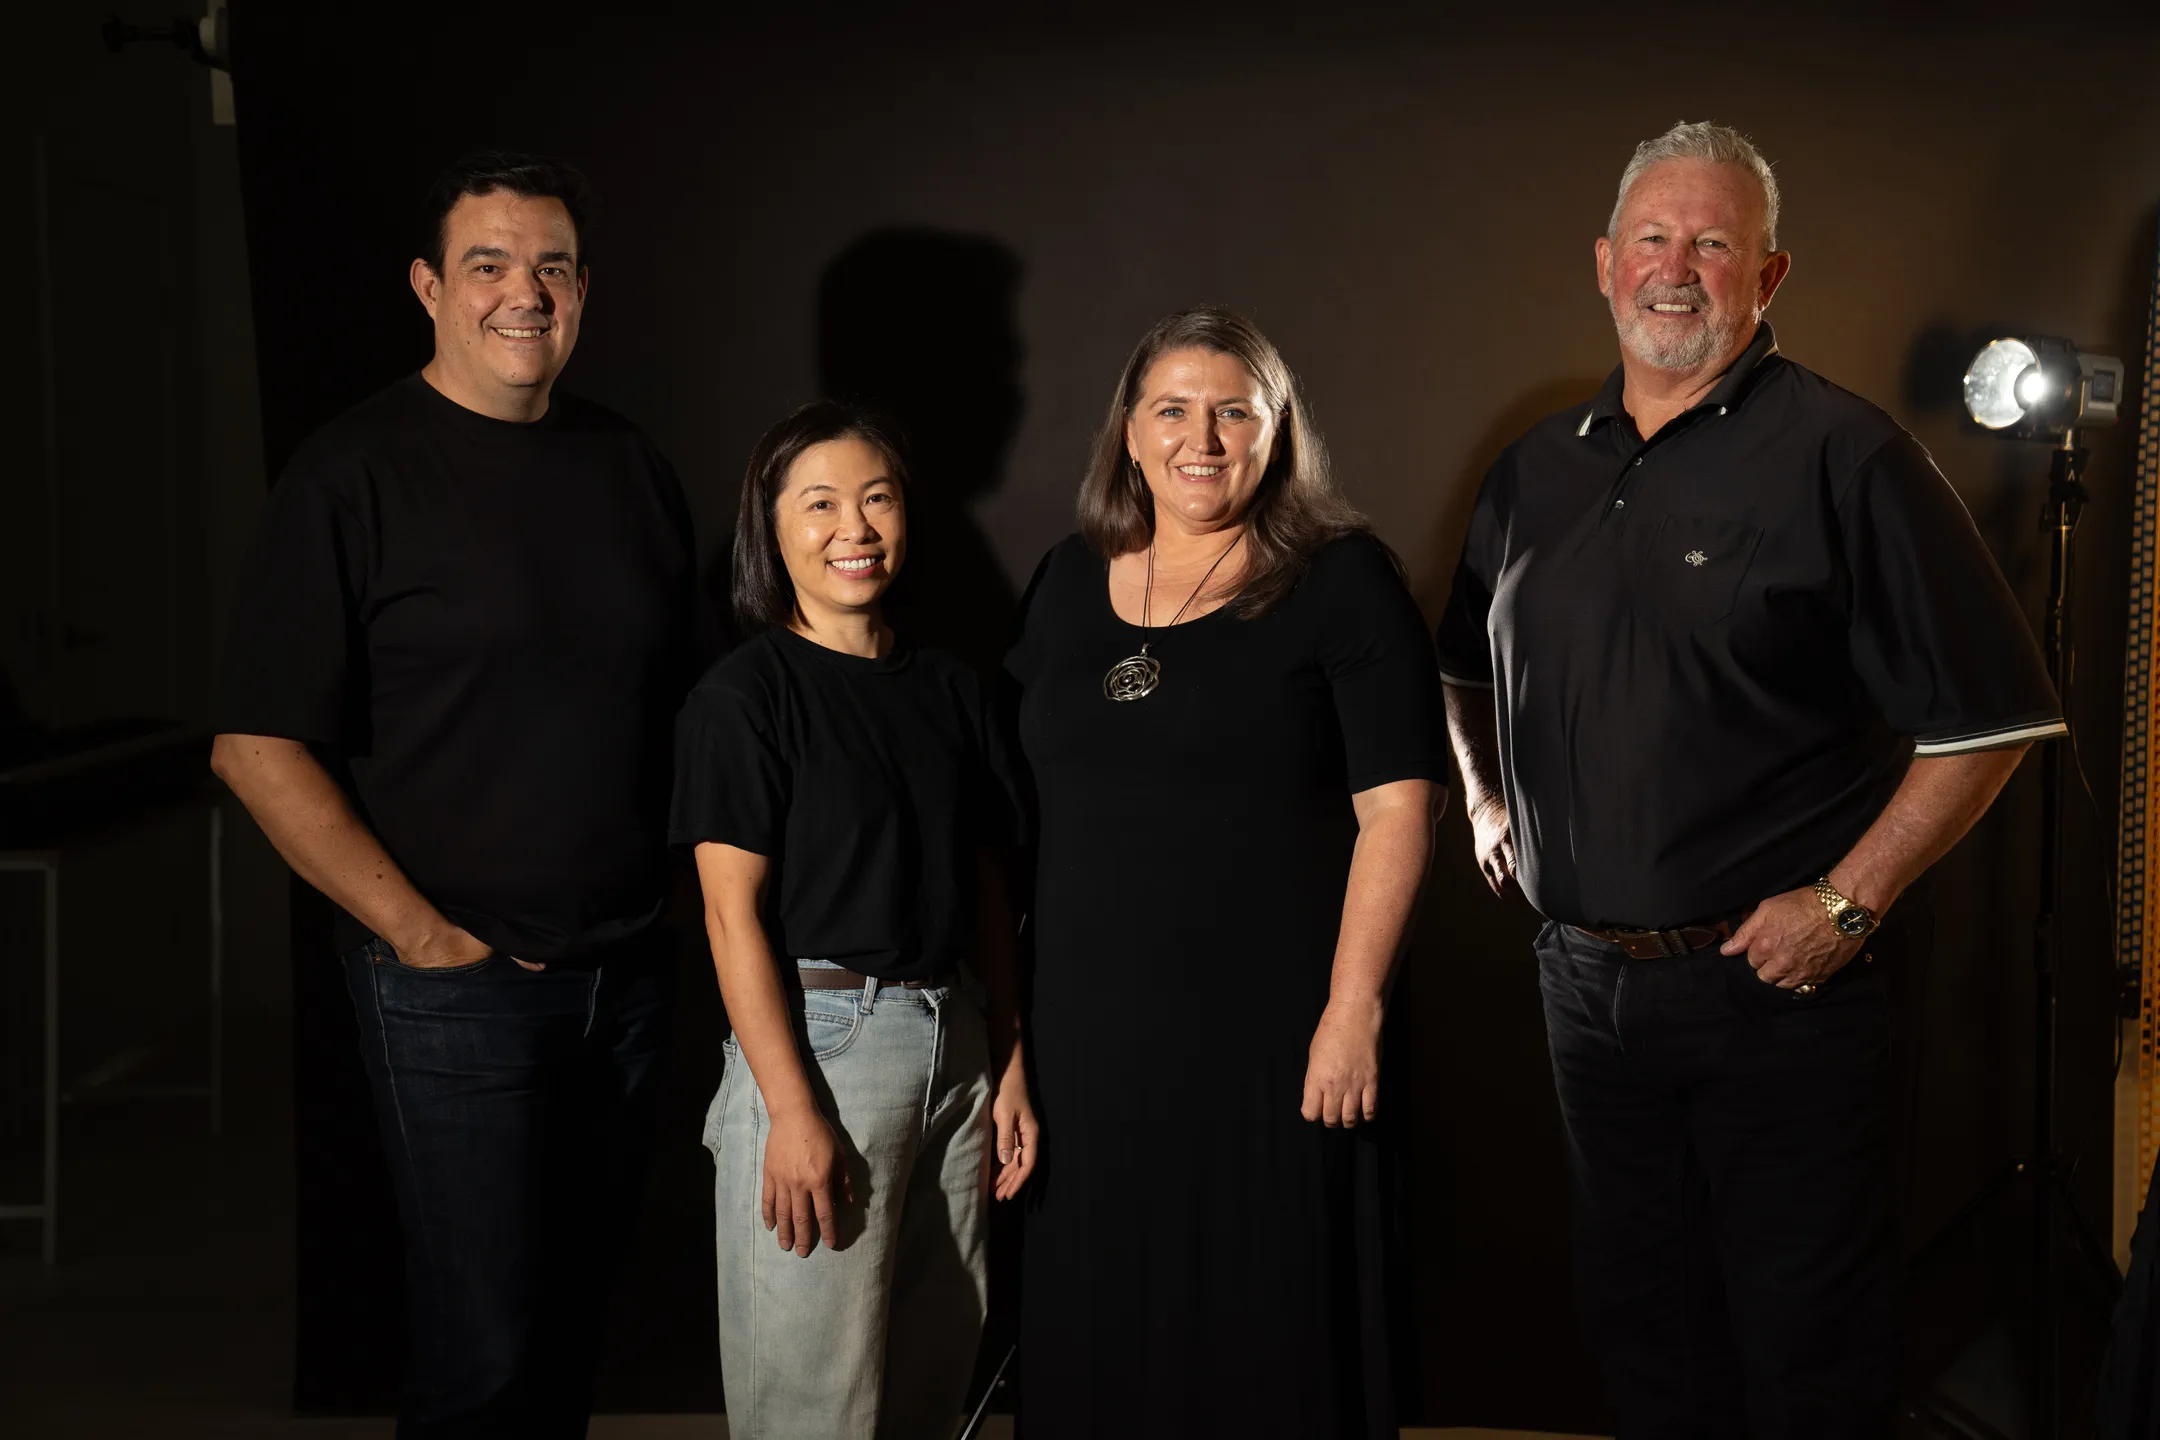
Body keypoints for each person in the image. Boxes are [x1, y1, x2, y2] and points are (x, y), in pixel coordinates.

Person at [1435, 121, 2065, 1438]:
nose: (1679, 270)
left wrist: (1847, 904)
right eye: (1654, 241)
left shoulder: (1847, 457)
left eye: (1714, 244)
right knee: (1638, 1331)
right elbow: (1457, 667)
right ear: (1604, 265)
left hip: (1774, 996)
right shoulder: (1535, 472)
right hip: (1582, 988)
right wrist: (1493, 807)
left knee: (1804, 1349)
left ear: (1767, 277)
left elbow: (1995, 718)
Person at [211, 152, 702, 1439]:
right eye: (487, 264)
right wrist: (423, 937)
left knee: (578, 1325)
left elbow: (676, 711)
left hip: (628, 980)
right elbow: (254, 746)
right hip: (455, 988)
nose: (521, 293)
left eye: (551, 265)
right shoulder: (352, 474)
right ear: (430, 287)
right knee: (482, 1351)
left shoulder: (629, 466)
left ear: (585, 289)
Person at [1006, 307, 1446, 1438]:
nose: (1202, 439)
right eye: (1173, 410)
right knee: (1103, 1332)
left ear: (1276, 430)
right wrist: (1011, 1044)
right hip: (1090, 1054)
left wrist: (1354, 1011)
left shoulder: (1342, 582)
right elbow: (1014, 827)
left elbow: (1399, 809)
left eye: (1234, 411)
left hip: (1276, 1045)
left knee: (1269, 1341)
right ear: (1130, 433)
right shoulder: (1064, 583)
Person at [672, 401, 1038, 1439]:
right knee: (814, 1411)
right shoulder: (744, 700)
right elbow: (729, 918)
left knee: (930, 1387)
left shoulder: (951, 690)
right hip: (821, 1047)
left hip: (952, 1046)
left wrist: (1005, 1056)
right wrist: (790, 1113)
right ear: (771, 527)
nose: (856, 527)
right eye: (821, 503)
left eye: (877, 499)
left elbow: (987, 888)